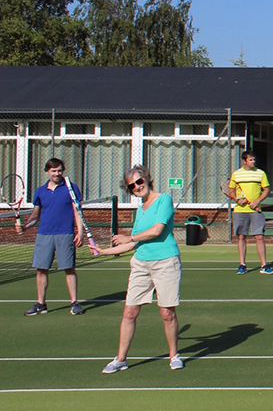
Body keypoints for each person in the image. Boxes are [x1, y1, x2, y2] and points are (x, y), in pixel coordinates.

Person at [91, 165, 184, 373]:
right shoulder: (140, 210)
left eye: (139, 182)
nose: (136, 187)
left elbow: (157, 230)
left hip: (166, 262)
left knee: (167, 313)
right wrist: (104, 251)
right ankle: (121, 359)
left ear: (148, 180)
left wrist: (129, 237)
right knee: (129, 311)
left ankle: (174, 355)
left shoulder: (164, 199)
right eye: (132, 186)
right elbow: (133, 244)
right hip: (140, 264)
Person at [19, 158, 87, 316]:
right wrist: (25, 226)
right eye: (54, 171)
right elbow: (35, 216)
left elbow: (77, 211)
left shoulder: (71, 188)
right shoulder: (40, 191)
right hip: (44, 234)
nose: (57, 173)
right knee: (41, 270)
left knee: (69, 269)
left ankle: (74, 303)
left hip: (65, 233)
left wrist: (80, 231)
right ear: (47, 172)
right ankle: (41, 304)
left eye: (59, 170)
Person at [228, 151, 273, 275]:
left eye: (254, 160)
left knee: (259, 237)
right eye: (251, 160)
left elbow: (266, 190)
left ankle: (264, 265)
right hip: (240, 210)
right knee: (241, 236)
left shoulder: (260, 173)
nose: (254, 162)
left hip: (255, 211)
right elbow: (231, 190)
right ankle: (242, 264)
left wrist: (257, 201)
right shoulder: (236, 174)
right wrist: (237, 199)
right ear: (244, 161)